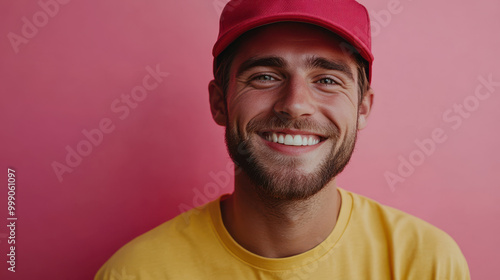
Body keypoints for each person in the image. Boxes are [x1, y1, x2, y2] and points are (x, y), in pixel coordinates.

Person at [95, 0, 470, 279]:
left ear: (363, 108)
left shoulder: (424, 263)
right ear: (219, 103)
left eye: (327, 79)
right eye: (264, 76)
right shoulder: (136, 273)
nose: (295, 106)